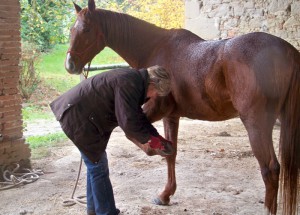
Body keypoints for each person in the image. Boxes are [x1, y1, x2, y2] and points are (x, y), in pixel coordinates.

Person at [50, 65, 174, 215]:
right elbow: (129, 121)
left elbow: (136, 115)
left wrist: (156, 138)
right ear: (153, 84)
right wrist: (155, 142)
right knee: (98, 167)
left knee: (95, 164)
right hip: (78, 117)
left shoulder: (134, 81)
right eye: (156, 93)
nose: (154, 97)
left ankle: (94, 209)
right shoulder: (129, 83)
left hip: (80, 115)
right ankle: (106, 212)